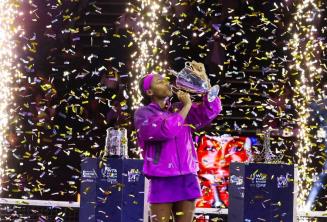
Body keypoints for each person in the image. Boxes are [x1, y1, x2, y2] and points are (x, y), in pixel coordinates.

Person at [134, 66, 222, 222]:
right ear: (150, 92)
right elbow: (166, 130)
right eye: (159, 81)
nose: (166, 82)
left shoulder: (178, 108)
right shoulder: (143, 114)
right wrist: (187, 106)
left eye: (165, 79)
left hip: (187, 177)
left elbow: (211, 111)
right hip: (162, 178)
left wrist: (204, 82)